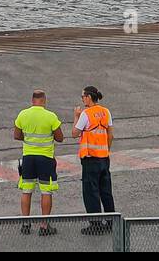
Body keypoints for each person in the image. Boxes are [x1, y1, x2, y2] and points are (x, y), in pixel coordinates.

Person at [14, 89, 64, 234]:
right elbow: (60, 138)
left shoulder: (23, 114)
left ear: (32, 100)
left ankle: (25, 224)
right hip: (46, 159)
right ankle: (44, 226)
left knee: (26, 190)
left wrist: (29, 140)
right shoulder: (51, 116)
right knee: (46, 191)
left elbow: (17, 135)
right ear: (44, 100)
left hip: (28, 158)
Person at [74, 85, 115, 232]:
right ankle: (111, 222)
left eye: (83, 96)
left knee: (91, 192)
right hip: (104, 158)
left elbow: (74, 133)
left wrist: (76, 116)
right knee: (106, 191)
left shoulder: (86, 114)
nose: (82, 99)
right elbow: (110, 134)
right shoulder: (106, 111)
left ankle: (96, 225)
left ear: (89, 97)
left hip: (90, 158)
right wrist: (106, 150)